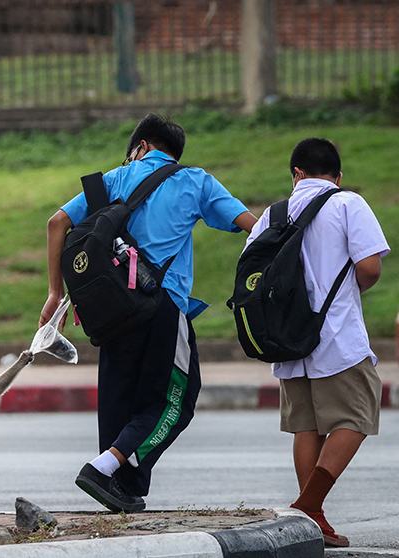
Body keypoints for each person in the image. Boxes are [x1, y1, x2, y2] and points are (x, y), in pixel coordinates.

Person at [40, 114, 257, 512]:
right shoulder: (195, 180)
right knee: (176, 398)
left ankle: (122, 488)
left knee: (120, 396)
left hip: (111, 311)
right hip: (163, 304)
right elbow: (251, 226)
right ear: (172, 152)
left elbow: (57, 224)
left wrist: (55, 292)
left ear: (140, 147)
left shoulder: (109, 180)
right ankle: (102, 468)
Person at [242, 137, 389, 547]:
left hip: (287, 338)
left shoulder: (271, 215)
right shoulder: (347, 203)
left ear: (296, 174)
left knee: (306, 427)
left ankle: (313, 521)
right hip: (336, 335)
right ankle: (307, 507)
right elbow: (370, 267)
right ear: (338, 176)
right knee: (358, 414)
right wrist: (346, 293)